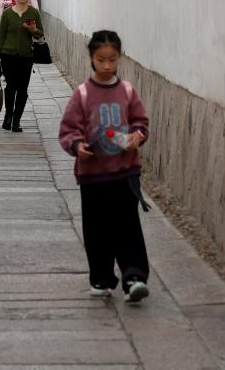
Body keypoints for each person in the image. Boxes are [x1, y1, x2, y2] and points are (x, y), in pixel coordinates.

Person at [58, 30, 150, 303]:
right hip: (93, 175)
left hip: (125, 171)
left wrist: (137, 136)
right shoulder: (83, 94)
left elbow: (140, 122)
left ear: (119, 58)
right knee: (97, 228)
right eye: (101, 59)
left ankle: (134, 277)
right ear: (91, 58)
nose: (107, 65)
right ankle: (101, 277)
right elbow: (68, 130)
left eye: (112, 59)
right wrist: (78, 146)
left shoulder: (127, 91)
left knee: (128, 224)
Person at [0, 0, 43, 132]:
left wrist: (33, 30)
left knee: (23, 89)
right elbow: (1, 36)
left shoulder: (34, 13)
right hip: (8, 56)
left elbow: (40, 34)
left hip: (26, 56)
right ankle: (8, 116)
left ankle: (16, 120)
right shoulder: (7, 13)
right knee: (11, 86)